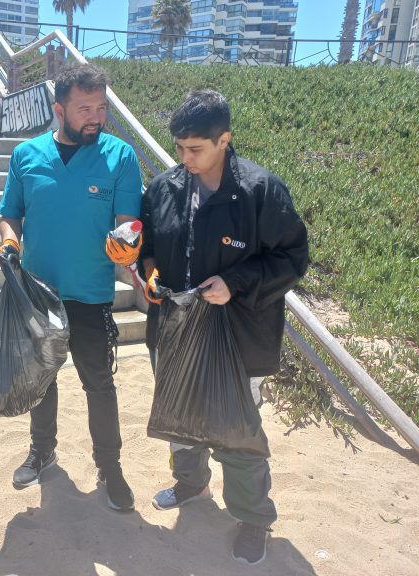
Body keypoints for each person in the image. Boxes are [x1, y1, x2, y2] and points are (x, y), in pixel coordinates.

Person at [139, 89, 308, 565]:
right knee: (179, 418)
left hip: (238, 336)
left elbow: (293, 259)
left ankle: (252, 520)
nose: (185, 159)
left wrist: (235, 283)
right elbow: (148, 249)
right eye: (179, 148)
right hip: (174, 330)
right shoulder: (164, 189)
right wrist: (149, 274)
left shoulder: (261, 191)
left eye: (195, 149)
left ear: (224, 140)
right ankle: (191, 485)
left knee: (238, 431)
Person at [0, 62, 143, 511]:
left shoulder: (121, 157)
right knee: (41, 379)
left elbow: (128, 226)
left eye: (101, 107)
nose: (96, 117)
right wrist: (9, 243)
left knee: (99, 384)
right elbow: (11, 212)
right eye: (85, 109)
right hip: (39, 293)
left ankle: (110, 467)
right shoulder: (26, 155)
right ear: (59, 110)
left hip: (91, 295)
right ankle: (42, 451)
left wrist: (127, 246)